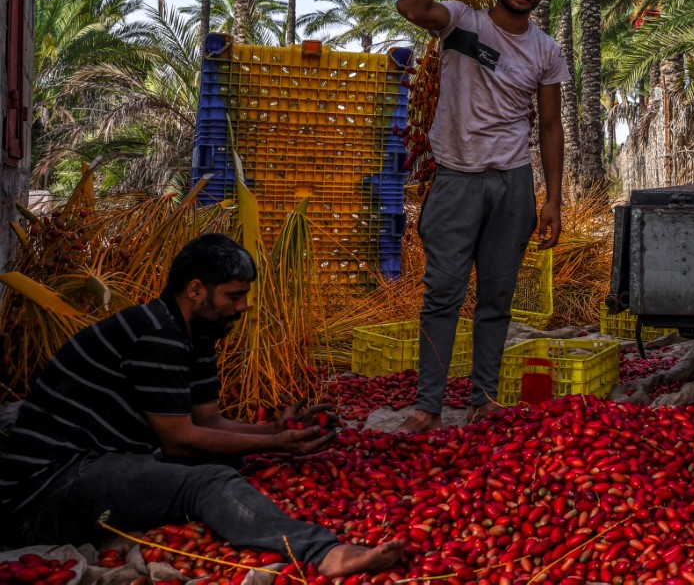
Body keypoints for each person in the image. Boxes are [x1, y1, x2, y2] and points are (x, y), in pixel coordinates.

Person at [0, 235, 403, 578]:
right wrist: (275, 442)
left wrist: (277, 432)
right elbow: (180, 442)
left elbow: (209, 421)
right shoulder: (157, 336)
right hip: (46, 490)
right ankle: (322, 552)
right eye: (234, 295)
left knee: (229, 464)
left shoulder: (197, 335)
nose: (243, 307)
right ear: (196, 290)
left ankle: (250, 519)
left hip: (98, 463)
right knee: (209, 480)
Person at [394, 0, 568, 432]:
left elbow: (551, 126)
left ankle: (483, 399)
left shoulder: (546, 51)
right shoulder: (459, 21)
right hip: (456, 179)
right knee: (442, 294)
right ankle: (428, 407)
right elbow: (410, 5)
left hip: (511, 184)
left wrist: (552, 199)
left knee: (496, 299)